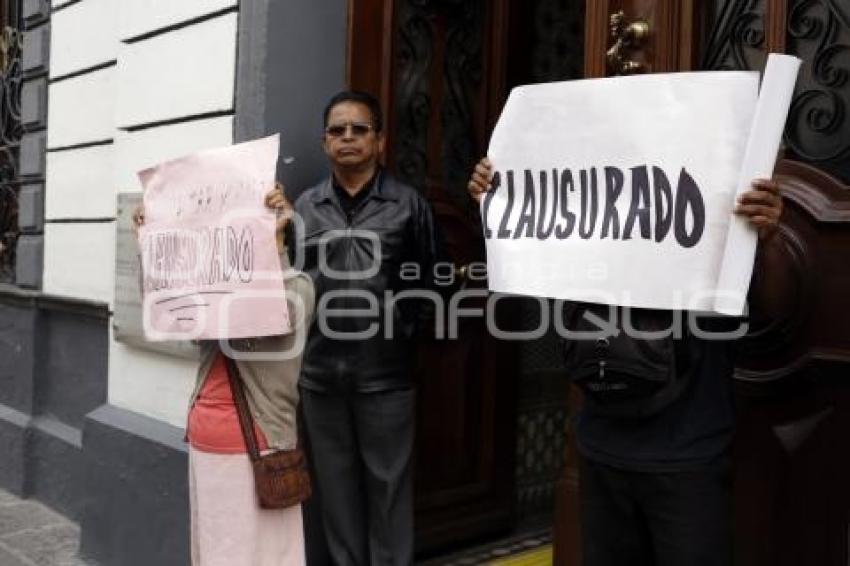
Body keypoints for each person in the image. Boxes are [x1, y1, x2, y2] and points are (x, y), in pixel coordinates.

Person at [467, 157, 783, 566]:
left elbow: (767, 314)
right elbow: (529, 256)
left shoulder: (718, 199)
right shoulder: (591, 206)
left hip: (687, 453)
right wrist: (497, 202)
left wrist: (765, 239)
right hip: (602, 447)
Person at [287, 90, 444, 565]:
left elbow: (436, 282)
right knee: (335, 497)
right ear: (324, 142)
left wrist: (400, 330)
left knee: (389, 491)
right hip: (319, 378)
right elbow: (286, 283)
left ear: (379, 140)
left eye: (360, 129)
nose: (348, 138)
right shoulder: (306, 207)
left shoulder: (408, 204)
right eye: (338, 130)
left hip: (386, 379)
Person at [134, 186, 315, 566]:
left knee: (243, 552)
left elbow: (273, 314)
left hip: (256, 440)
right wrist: (151, 244)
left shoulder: (297, 285)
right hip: (212, 435)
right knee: (228, 551)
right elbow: (162, 309)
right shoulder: (215, 288)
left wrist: (276, 243)